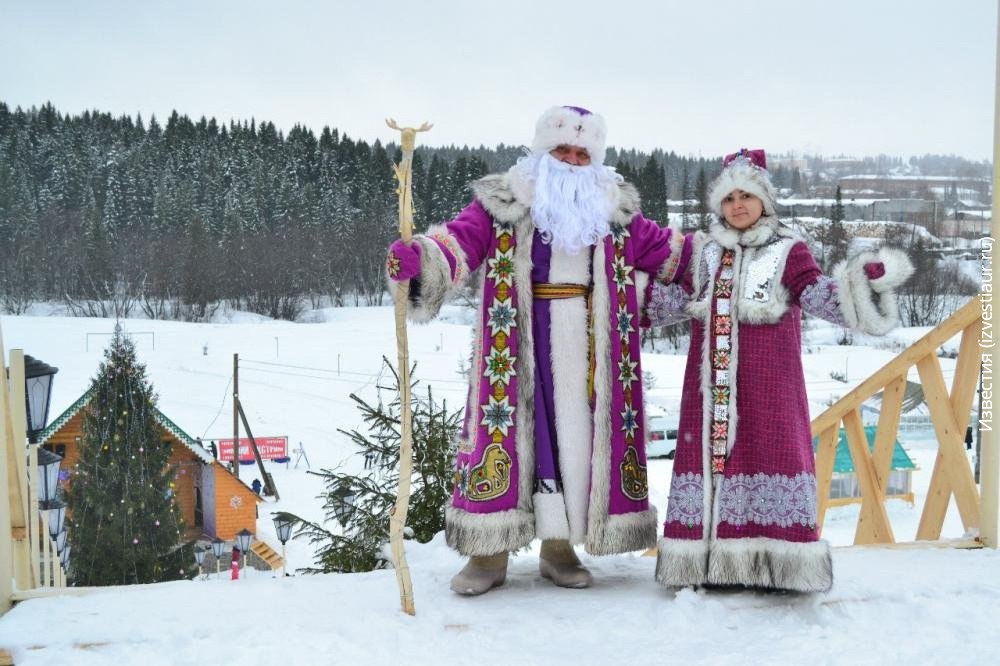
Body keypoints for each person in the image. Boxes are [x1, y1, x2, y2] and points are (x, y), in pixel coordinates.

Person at [386, 106, 693, 595]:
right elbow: (459, 245)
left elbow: (676, 256)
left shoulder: (616, 213)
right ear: (542, 152)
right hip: (516, 343)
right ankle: (487, 555)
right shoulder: (503, 203)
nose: (571, 160)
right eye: (561, 150)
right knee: (505, 438)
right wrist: (421, 259)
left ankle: (559, 549)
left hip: (590, 352)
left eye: (581, 153)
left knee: (575, 445)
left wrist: (737, 257)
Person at [647, 149, 913, 592]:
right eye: (728, 198)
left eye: (746, 196)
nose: (737, 205)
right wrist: (613, 298)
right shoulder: (704, 253)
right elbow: (670, 303)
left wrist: (862, 284)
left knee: (770, 452)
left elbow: (820, 295)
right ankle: (708, 564)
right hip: (708, 392)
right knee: (710, 465)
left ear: (765, 202)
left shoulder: (789, 250)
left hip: (768, 386)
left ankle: (778, 564)